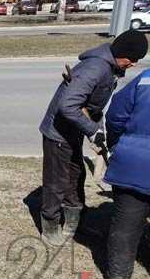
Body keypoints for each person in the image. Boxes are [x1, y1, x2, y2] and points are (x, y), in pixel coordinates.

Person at [38, 30, 148, 247]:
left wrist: (96, 130)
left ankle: (74, 223)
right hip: (58, 133)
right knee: (56, 182)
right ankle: (50, 226)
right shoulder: (95, 68)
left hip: (73, 130)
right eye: (132, 59)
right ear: (122, 53)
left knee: (75, 176)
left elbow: (91, 106)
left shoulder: (109, 68)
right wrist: (91, 129)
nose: (133, 64)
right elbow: (67, 106)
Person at [103, 67, 150, 279]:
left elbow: (115, 114)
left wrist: (117, 142)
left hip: (133, 161)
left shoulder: (145, 78)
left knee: (126, 224)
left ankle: (119, 277)